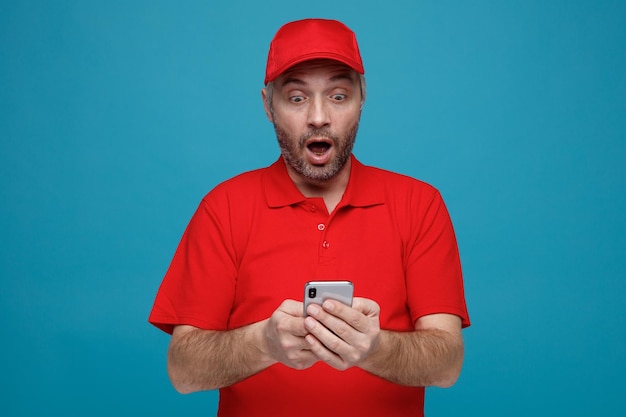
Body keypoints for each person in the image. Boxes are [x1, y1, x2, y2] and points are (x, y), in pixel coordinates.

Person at [149, 18, 470, 417]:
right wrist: (263, 343)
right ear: (268, 105)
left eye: (338, 95)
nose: (319, 117)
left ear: (362, 97)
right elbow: (183, 371)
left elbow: (447, 363)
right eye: (297, 98)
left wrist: (375, 348)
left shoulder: (419, 205)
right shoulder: (224, 208)